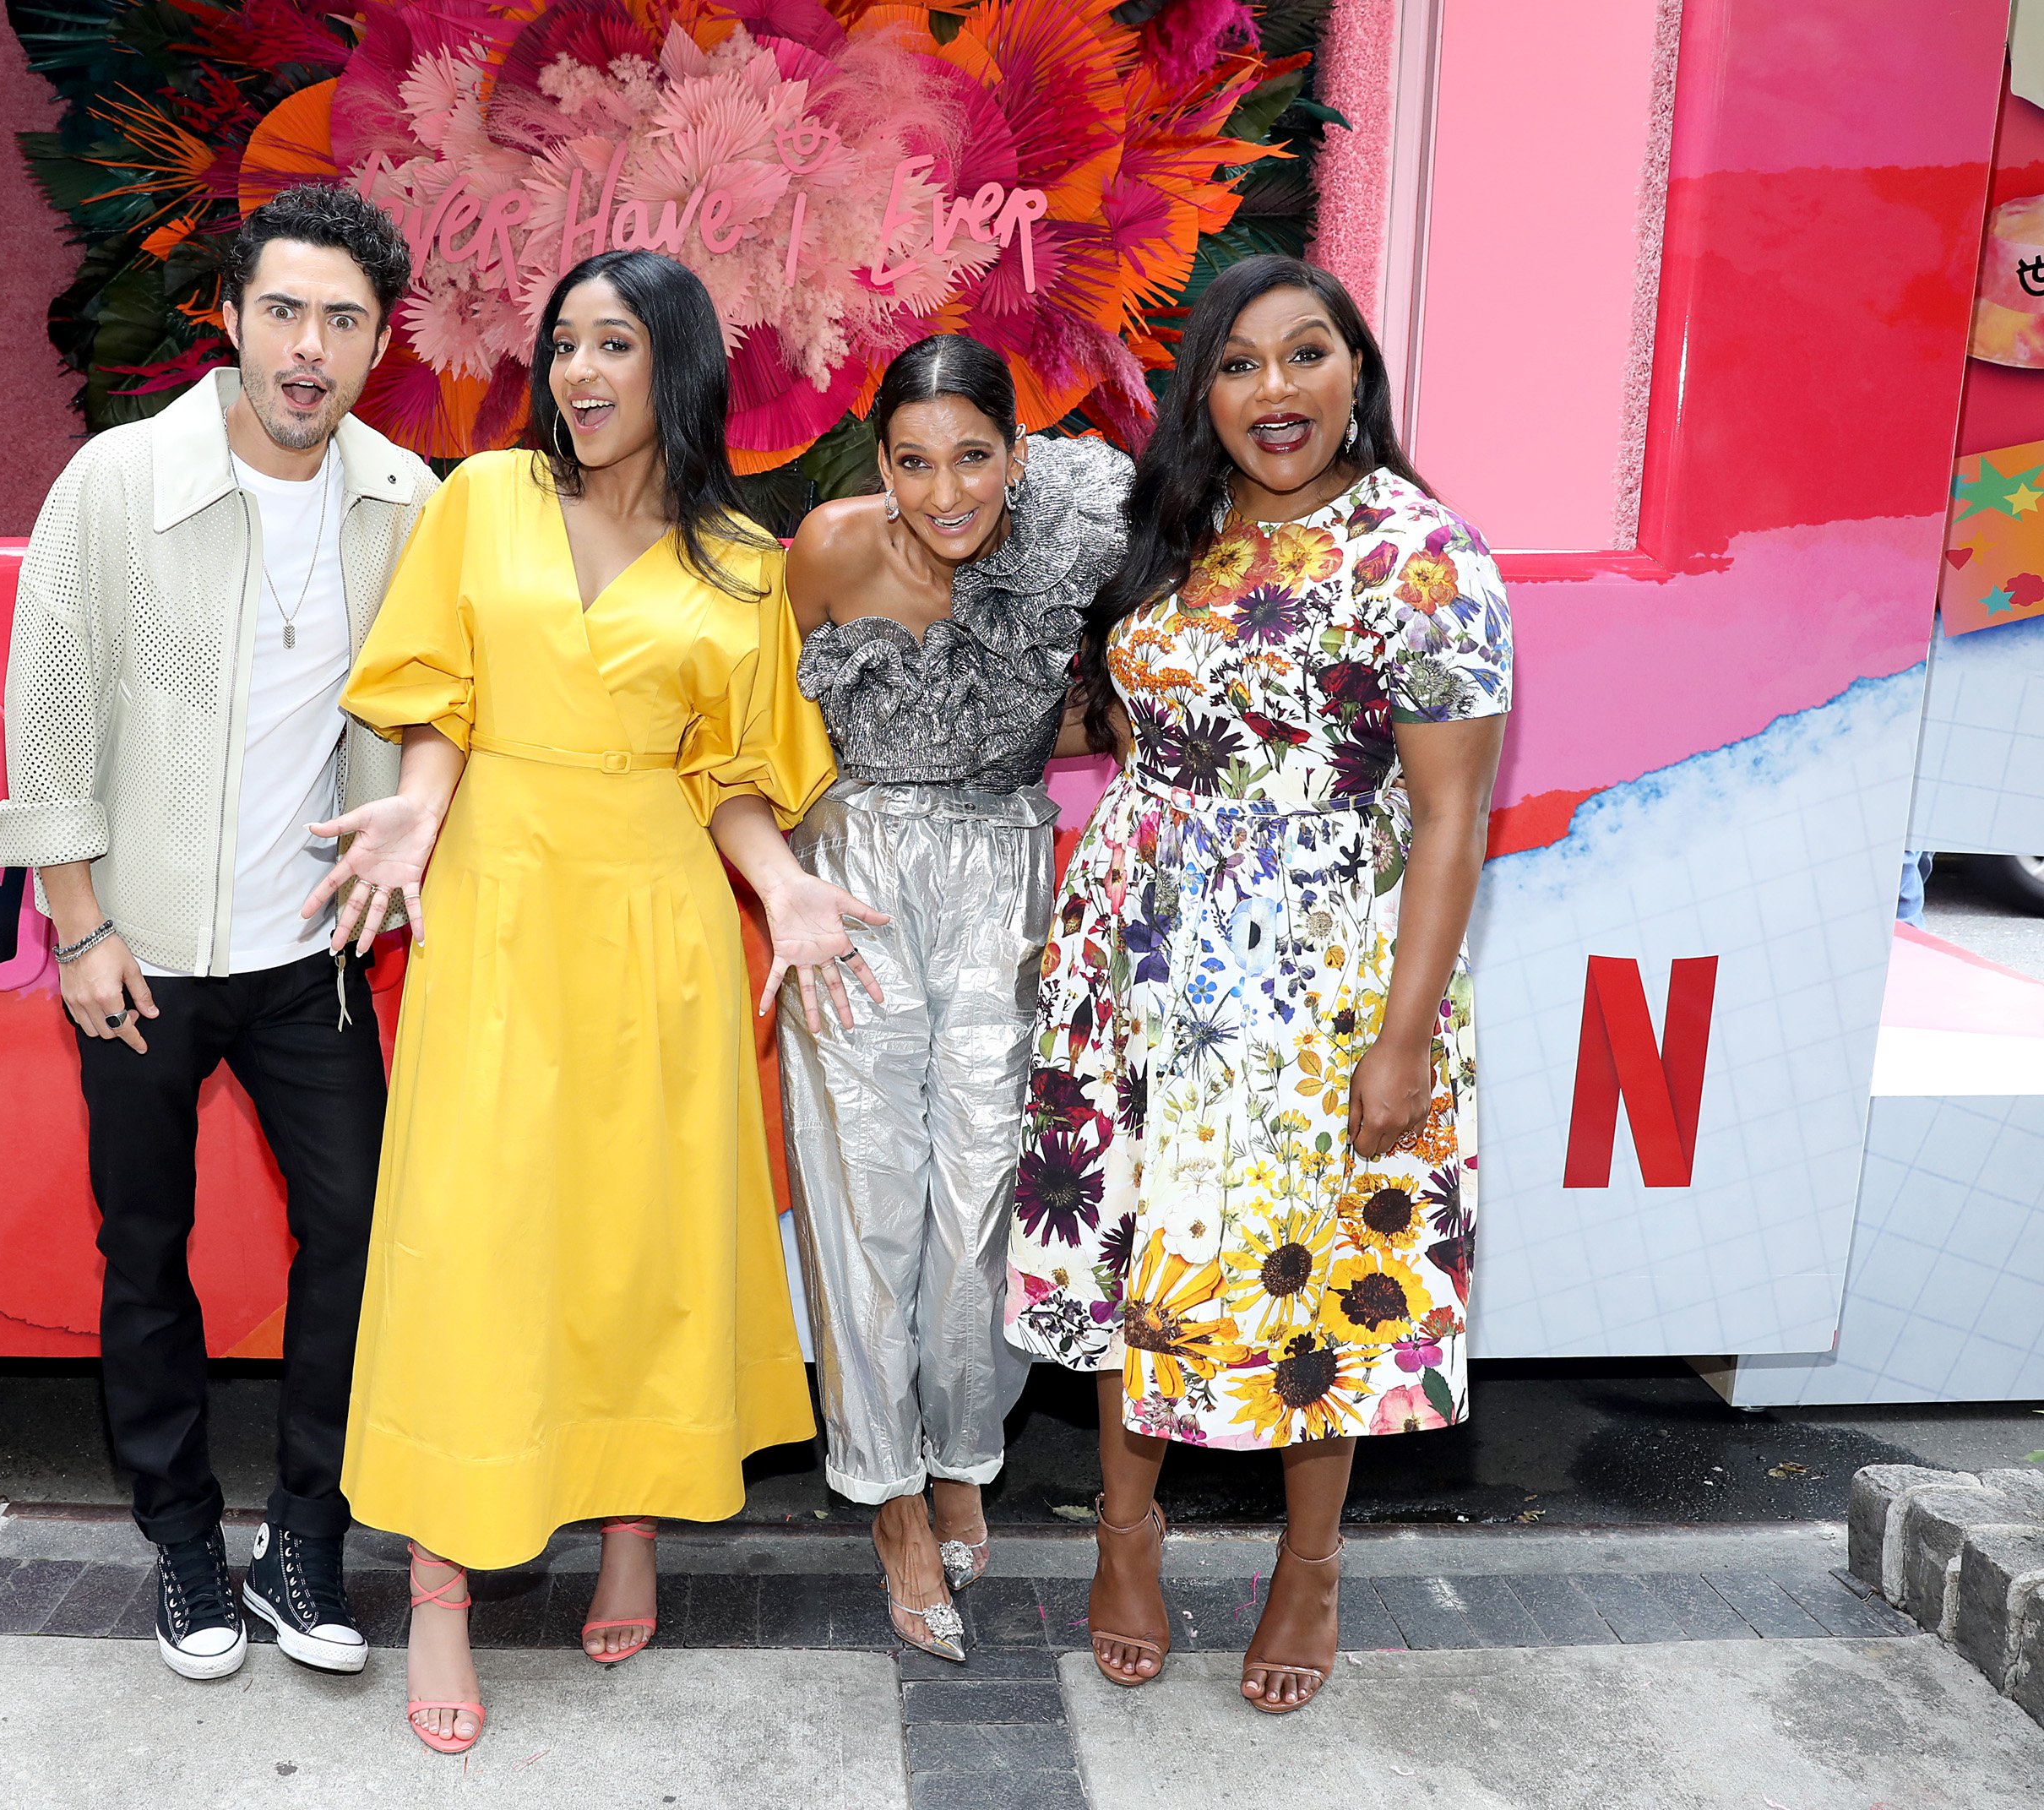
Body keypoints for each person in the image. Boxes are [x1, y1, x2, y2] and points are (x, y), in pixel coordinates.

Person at [303, 248, 883, 1754]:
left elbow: (732, 782)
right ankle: (441, 1588)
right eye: (564, 344)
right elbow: (442, 702)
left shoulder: (742, 568)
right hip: (499, 904)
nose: (578, 372)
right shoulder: (481, 501)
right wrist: (419, 815)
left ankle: (632, 1522)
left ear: (674, 365)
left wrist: (787, 888)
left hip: (658, 928)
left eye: (613, 343)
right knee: (477, 1241)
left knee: (635, 1230)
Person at [1004, 255, 1510, 1712]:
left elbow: (1451, 821)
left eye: (1306, 356)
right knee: (1129, 1250)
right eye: (1238, 364)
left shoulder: (1422, 555)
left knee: (1315, 1271)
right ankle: (1124, 1533)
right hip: (1138, 960)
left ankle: (1309, 1569)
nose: (1273, 391)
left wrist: (1404, 1039)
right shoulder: (1176, 523)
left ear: (1359, 372)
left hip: (1320, 978)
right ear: (1202, 393)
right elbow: (1117, 706)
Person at [0, 184, 434, 1682]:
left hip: (310, 960)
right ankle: (181, 1543)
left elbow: (432, 706)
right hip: (143, 956)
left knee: (360, 1238)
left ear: (380, 343)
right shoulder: (117, 483)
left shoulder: (403, 501)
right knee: (145, 1248)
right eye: (287, 313)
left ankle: (303, 1539)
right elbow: (45, 715)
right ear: (233, 321)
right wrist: (79, 928)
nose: (310, 349)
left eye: (345, 322)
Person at [779, 334, 1130, 1661]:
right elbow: (772, 731)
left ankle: (965, 1448)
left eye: (973, 456)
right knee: (864, 1192)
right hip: (858, 873)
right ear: (880, 462)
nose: (945, 491)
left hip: (1005, 871)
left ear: (1018, 454)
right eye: (915, 461)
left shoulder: (1074, 531)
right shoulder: (823, 549)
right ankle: (889, 1502)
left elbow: (1124, 681)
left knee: (985, 1193)